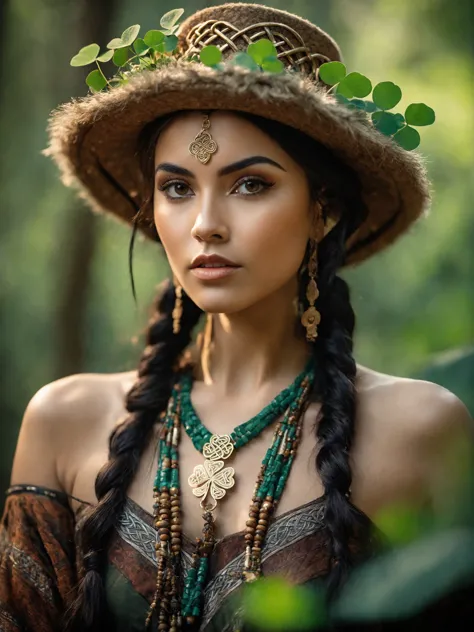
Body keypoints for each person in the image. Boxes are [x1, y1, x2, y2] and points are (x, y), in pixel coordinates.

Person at [1, 3, 472, 632]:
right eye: (177, 188)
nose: (205, 224)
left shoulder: (419, 429)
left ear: (321, 210)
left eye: (250, 184)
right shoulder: (64, 421)